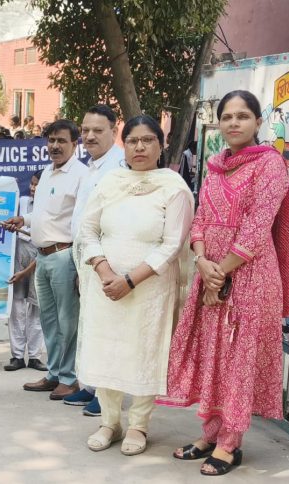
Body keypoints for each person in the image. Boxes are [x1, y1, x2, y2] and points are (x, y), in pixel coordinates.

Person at [157, 90, 289, 476]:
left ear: (257, 123)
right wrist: (202, 262)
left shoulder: (270, 165)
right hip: (211, 273)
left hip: (250, 278)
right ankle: (211, 433)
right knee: (212, 355)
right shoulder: (215, 165)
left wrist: (221, 271)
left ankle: (230, 444)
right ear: (218, 122)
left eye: (243, 116)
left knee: (236, 359)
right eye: (227, 116)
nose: (234, 123)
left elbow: (255, 229)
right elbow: (200, 220)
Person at [78, 115, 193, 456]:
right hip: (106, 287)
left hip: (150, 288)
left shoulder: (174, 188)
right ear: (123, 145)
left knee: (145, 351)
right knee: (107, 349)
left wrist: (130, 280)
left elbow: (172, 244)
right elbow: (88, 231)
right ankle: (109, 422)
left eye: (148, 140)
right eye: (132, 141)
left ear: (161, 145)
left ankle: (139, 425)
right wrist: (104, 271)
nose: (140, 147)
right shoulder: (109, 181)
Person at [4, 119, 86, 401]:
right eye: (51, 140)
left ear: (75, 143)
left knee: (68, 322)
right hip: (43, 257)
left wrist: (80, 264)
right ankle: (53, 374)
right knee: (49, 321)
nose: (55, 146)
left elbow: (82, 223)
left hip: (64, 256)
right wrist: (22, 219)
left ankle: (69, 378)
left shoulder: (82, 176)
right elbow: (44, 213)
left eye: (62, 140)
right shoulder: (48, 173)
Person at [64, 104, 127, 414]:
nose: (89, 136)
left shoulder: (119, 167)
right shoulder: (91, 165)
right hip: (86, 255)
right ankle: (90, 386)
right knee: (90, 322)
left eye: (97, 130)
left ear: (114, 131)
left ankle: (107, 396)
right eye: (85, 130)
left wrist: (101, 265)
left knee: (107, 326)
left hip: (105, 258)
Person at [3, 171, 46, 372]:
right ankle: (17, 356)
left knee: (37, 309)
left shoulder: (52, 208)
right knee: (16, 307)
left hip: (41, 255)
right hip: (19, 252)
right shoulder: (20, 201)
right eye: (32, 184)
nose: (33, 188)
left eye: (37, 185)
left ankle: (36, 356)